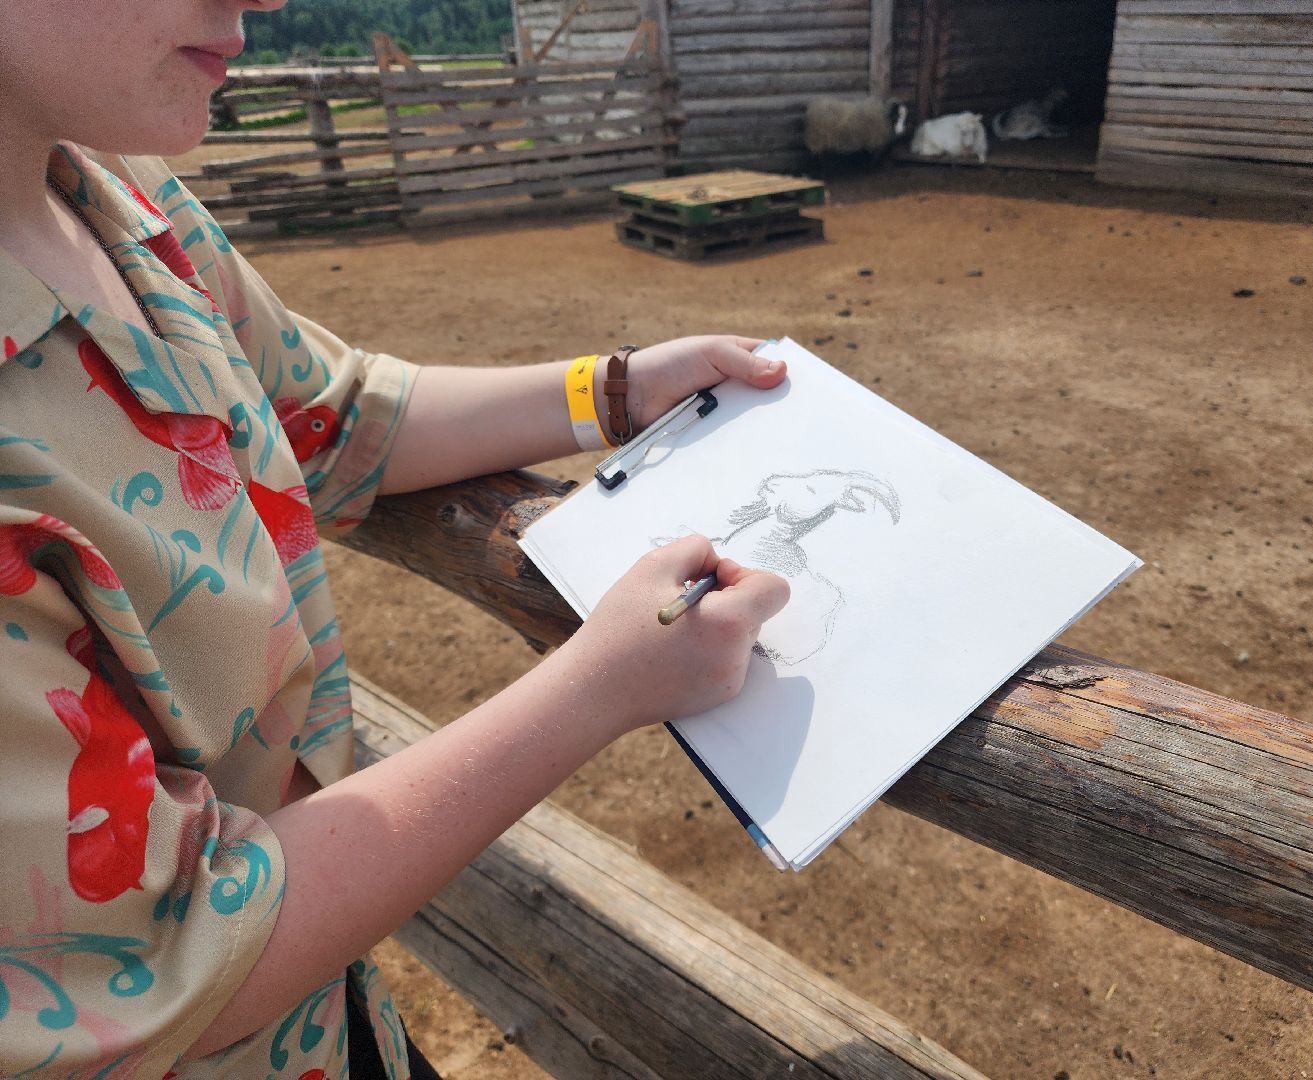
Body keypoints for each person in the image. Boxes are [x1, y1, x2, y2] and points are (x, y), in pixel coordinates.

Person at [0, 1, 791, 1076]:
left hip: (332, 1023)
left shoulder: (119, 198)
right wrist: (602, 684)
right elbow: (163, 959)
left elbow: (330, 414)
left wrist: (615, 389)